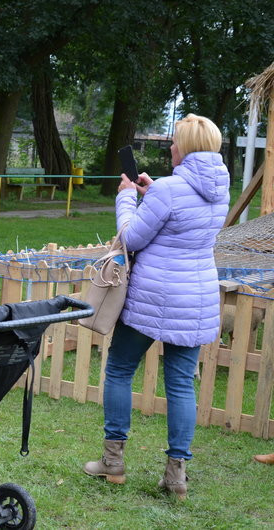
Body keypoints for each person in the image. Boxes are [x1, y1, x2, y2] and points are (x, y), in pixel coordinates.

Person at [83, 114, 229, 500]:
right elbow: (179, 220)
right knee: (181, 385)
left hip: (152, 298)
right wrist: (154, 194)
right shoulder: (221, 189)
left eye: (176, 141)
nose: (172, 147)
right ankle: (176, 475)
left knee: (119, 370)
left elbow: (131, 237)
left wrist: (127, 197)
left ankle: (113, 462)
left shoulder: (168, 189)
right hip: (195, 299)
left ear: (188, 147)